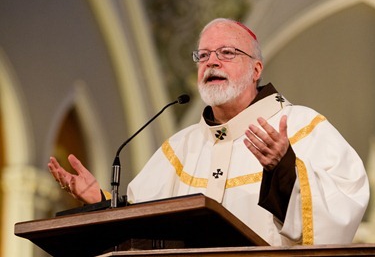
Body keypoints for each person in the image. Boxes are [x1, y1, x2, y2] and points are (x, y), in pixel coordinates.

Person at [48, 18, 369, 246]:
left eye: (227, 53)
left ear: (256, 69)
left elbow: (344, 205)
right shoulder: (180, 147)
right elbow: (141, 226)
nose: (211, 62)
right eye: (203, 55)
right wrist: (100, 201)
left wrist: (283, 168)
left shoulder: (301, 126)